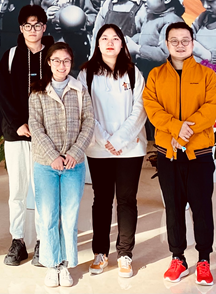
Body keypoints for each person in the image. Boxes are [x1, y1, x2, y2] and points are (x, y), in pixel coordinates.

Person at [143, 21, 216, 287]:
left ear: (193, 43)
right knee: (174, 208)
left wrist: (187, 131)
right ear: (166, 44)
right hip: (169, 153)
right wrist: (176, 128)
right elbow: (152, 108)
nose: (179, 45)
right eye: (174, 41)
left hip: (199, 153)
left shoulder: (206, 75)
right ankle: (178, 258)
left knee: (202, 207)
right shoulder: (156, 75)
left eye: (185, 40)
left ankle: (204, 260)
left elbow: (211, 108)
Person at [78, 24, 147, 278]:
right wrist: (105, 139)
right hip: (98, 148)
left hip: (130, 148)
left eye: (115, 38)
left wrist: (118, 140)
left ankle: (125, 253)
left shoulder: (133, 72)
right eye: (104, 38)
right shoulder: (86, 73)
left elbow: (140, 109)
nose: (110, 42)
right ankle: (100, 252)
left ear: (122, 44)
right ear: (97, 43)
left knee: (127, 200)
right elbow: (85, 110)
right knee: (102, 200)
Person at [28, 42, 94, 287]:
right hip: (46, 164)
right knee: (47, 216)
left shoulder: (80, 89)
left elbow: (89, 122)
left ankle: (64, 265)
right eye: (56, 60)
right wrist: (53, 156)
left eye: (66, 60)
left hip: (73, 165)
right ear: (48, 62)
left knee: (69, 216)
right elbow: (35, 126)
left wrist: (74, 153)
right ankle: (51, 264)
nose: (61, 65)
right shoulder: (38, 91)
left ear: (71, 63)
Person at [0, 5, 54, 267]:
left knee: (43, 191)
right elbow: (2, 95)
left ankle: (43, 241)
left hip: (46, 136)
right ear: (21, 29)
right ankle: (17, 241)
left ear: (44, 27)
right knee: (17, 190)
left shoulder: (53, 56)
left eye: (37, 25)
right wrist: (19, 123)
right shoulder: (10, 56)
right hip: (16, 134)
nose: (33, 30)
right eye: (28, 26)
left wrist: (43, 127)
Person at [126, 0, 189, 79]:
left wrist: (137, 49)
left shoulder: (172, 23)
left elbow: (165, 54)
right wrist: (129, 41)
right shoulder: (152, 15)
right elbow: (145, 36)